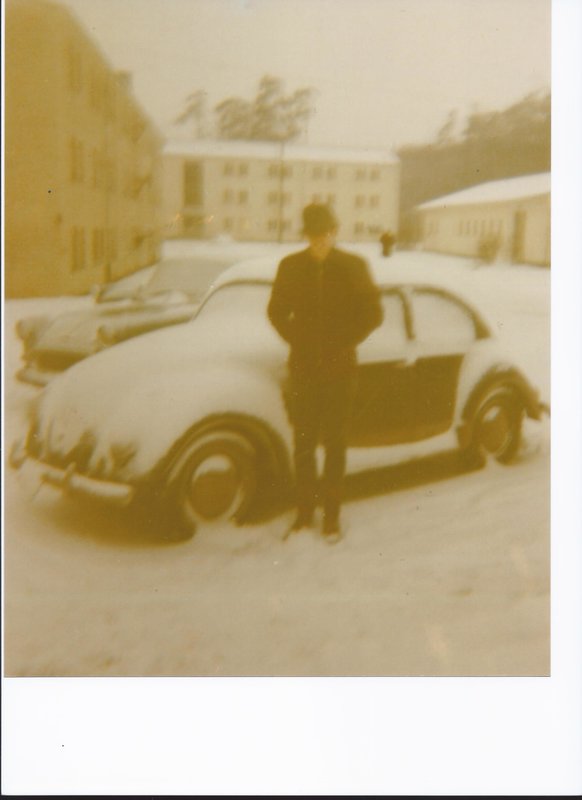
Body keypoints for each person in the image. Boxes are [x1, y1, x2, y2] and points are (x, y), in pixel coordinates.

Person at [268, 204, 383, 542]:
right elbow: (276, 311)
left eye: (326, 234)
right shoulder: (290, 267)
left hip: (340, 370)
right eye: (314, 235)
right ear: (306, 235)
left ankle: (331, 516)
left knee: (335, 444)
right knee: (303, 443)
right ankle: (304, 514)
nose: (320, 241)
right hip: (303, 368)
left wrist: (345, 341)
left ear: (335, 232)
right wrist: (297, 338)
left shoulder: (353, 266)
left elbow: (374, 313)